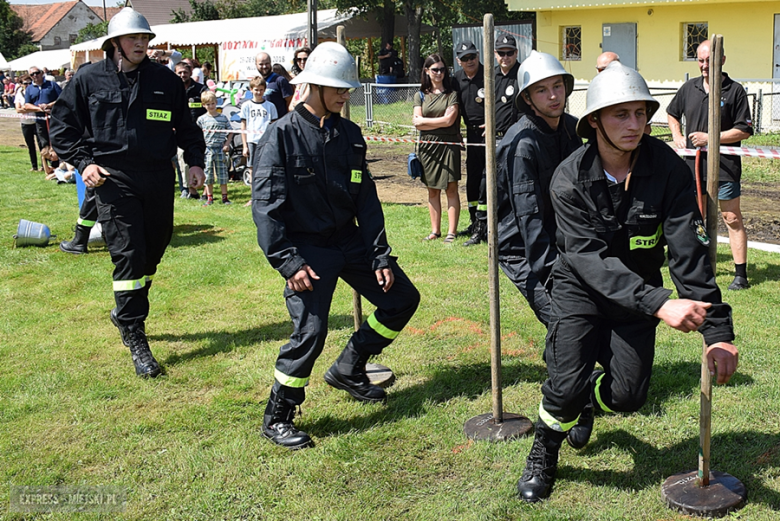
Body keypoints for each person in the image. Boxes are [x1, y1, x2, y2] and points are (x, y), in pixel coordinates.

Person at [516, 62, 739, 503]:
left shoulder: (668, 169)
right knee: (563, 384)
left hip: (636, 298)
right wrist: (659, 303)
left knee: (627, 396)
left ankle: (585, 402)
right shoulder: (568, 178)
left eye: (641, 113)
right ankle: (544, 451)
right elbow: (588, 260)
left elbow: (687, 254)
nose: (635, 125)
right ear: (594, 120)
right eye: (621, 114)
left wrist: (717, 332)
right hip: (578, 290)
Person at [252, 42, 420, 449]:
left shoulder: (349, 133)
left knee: (401, 298)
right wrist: (288, 263)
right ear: (313, 86)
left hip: (351, 241)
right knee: (311, 330)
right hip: (307, 251)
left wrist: (379, 253)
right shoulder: (281, 137)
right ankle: (279, 415)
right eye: (339, 89)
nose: (346, 95)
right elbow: (266, 210)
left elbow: (366, 199)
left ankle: (350, 366)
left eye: (348, 88)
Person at [50, 7, 206, 378]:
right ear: (115, 43)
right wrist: (84, 162)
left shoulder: (165, 81)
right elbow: (62, 126)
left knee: (154, 247)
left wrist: (196, 162)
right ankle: (135, 333)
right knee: (129, 254)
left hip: (156, 176)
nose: (141, 43)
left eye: (146, 38)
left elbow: (185, 127)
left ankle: (124, 310)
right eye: (134, 38)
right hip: (112, 178)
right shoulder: (88, 79)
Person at [496, 50, 581, 327]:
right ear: (528, 99)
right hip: (521, 247)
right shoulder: (522, 145)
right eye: (542, 90)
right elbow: (527, 219)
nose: (554, 96)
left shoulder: (572, 129)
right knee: (563, 318)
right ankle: (567, 368)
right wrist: (554, 275)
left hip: (560, 238)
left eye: (558, 86)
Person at [667, 40, 753, 291]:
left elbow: (744, 130)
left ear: (722, 61)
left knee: (731, 217)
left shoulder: (735, 90)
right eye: (701, 60)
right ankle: (697, 267)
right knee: (694, 218)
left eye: (710, 61)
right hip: (691, 167)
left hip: (725, 167)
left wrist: (710, 138)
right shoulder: (688, 88)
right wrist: (677, 135)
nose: (705, 66)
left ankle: (740, 275)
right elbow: (672, 113)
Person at [464, 33, 522, 247]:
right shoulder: (489, 76)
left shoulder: (523, 75)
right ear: (495, 54)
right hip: (492, 141)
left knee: (513, 186)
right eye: (501, 53)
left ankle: (513, 230)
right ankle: (481, 230)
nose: (505, 57)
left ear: (516, 53)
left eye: (509, 53)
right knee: (486, 185)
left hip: (515, 140)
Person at [413, 54, 461, 243]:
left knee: (451, 188)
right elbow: (416, 124)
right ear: (426, 71)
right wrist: (437, 122)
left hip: (449, 145)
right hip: (428, 147)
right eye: (435, 69)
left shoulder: (452, 94)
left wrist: (425, 121)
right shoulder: (420, 95)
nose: (439, 73)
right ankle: (435, 230)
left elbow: (450, 120)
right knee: (432, 189)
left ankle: (452, 232)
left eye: (442, 69)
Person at [451, 40, 485, 238]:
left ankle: (485, 223)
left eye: (472, 57)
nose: (469, 61)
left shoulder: (489, 75)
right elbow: (453, 107)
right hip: (470, 134)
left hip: (489, 134)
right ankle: (474, 222)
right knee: (472, 179)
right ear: (458, 61)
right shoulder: (456, 79)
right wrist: (456, 132)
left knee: (486, 180)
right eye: (465, 58)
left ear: (478, 55)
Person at [176, 61, 207, 199]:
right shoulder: (173, 89)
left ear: (191, 73)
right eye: (180, 72)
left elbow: (209, 103)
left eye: (185, 72)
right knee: (181, 160)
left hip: (200, 130)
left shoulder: (200, 89)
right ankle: (186, 189)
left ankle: (204, 189)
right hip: (180, 131)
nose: (183, 75)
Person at [240, 75, 278, 193]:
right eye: (256, 89)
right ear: (251, 89)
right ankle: (253, 195)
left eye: (261, 89)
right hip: (252, 140)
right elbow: (243, 126)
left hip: (266, 141)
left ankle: (265, 192)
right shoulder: (246, 106)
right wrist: (245, 146)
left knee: (266, 167)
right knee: (252, 168)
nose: (259, 92)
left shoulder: (270, 106)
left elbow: (274, 125)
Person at [197, 90, 232, 205]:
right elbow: (196, 134)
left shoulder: (223, 118)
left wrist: (227, 144)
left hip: (220, 148)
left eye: (213, 103)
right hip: (207, 149)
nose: (211, 106)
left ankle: (225, 197)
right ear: (203, 105)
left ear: (216, 103)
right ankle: (209, 198)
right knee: (208, 174)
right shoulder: (201, 119)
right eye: (208, 104)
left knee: (222, 173)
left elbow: (231, 131)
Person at [24, 65, 62, 163]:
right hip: (39, 120)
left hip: (54, 118)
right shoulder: (29, 89)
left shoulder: (52, 85)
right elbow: (27, 105)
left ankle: (59, 163)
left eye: (37, 73)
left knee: (56, 139)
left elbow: (62, 98)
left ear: (41, 73)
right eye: (32, 74)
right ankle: (46, 165)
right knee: (43, 142)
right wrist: (40, 109)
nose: (35, 75)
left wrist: (49, 105)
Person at [14, 76, 41, 171]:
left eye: (30, 83)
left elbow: (36, 106)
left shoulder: (35, 91)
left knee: (41, 144)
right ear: (21, 84)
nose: (28, 85)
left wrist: (26, 108)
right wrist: (27, 108)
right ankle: (34, 166)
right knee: (30, 145)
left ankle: (44, 166)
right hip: (25, 122)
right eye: (25, 83)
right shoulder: (19, 93)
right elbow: (18, 109)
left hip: (36, 121)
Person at [255, 51, 293, 118]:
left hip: (278, 123)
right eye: (261, 64)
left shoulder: (280, 80)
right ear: (256, 65)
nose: (264, 66)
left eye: (267, 63)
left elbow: (290, 102)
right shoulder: (258, 82)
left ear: (270, 63)